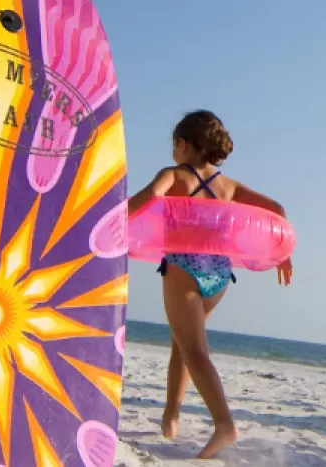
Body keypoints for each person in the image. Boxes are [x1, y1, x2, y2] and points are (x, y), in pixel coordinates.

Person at [126, 110, 293, 459]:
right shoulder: (226, 186)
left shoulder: (173, 175)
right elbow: (277, 208)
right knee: (182, 343)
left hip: (184, 267)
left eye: (174, 144)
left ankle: (224, 424)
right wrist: (283, 253)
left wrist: (106, 220)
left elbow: (144, 200)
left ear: (184, 145)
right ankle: (171, 415)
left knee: (194, 350)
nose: (173, 150)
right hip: (218, 274)